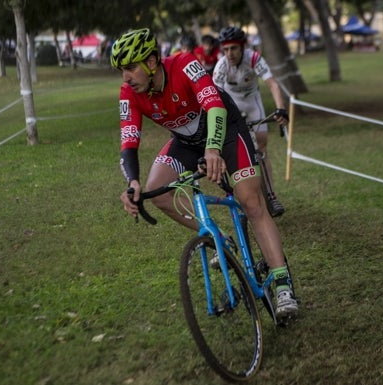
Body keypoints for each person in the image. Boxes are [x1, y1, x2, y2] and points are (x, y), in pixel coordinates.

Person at [111, 28, 297, 319]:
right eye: (121, 70)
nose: (125, 77)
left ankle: (283, 282)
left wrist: (213, 149)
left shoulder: (185, 63)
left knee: (251, 202)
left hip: (226, 130)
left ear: (150, 61)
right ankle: (219, 237)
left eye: (130, 68)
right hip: (186, 142)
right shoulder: (129, 93)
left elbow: (215, 106)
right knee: (156, 190)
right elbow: (128, 140)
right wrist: (131, 181)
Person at [212, 26, 288, 217]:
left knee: (261, 148)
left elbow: (272, 84)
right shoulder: (221, 66)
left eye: (234, 49)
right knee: (234, 150)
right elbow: (213, 97)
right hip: (232, 104)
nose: (229, 53)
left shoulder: (253, 58)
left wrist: (281, 108)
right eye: (226, 49)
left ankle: (271, 196)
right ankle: (241, 197)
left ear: (242, 47)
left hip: (253, 102)